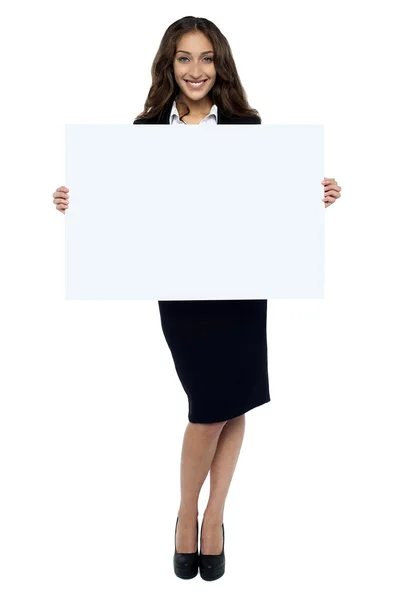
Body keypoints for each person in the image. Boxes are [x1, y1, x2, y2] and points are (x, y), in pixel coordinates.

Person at [52, 16, 342, 581]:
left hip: (241, 284)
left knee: (234, 401)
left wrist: (312, 194)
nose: (196, 70)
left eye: (206, 58)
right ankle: (186, 515)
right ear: (169, 65)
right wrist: (78, 202)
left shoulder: (245, 125)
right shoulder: (146, 131)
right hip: (182, 287)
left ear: (221, 65)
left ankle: (215, 519)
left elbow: (267, 202)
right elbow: (124, 208)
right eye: (185, 58)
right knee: (207, 406)